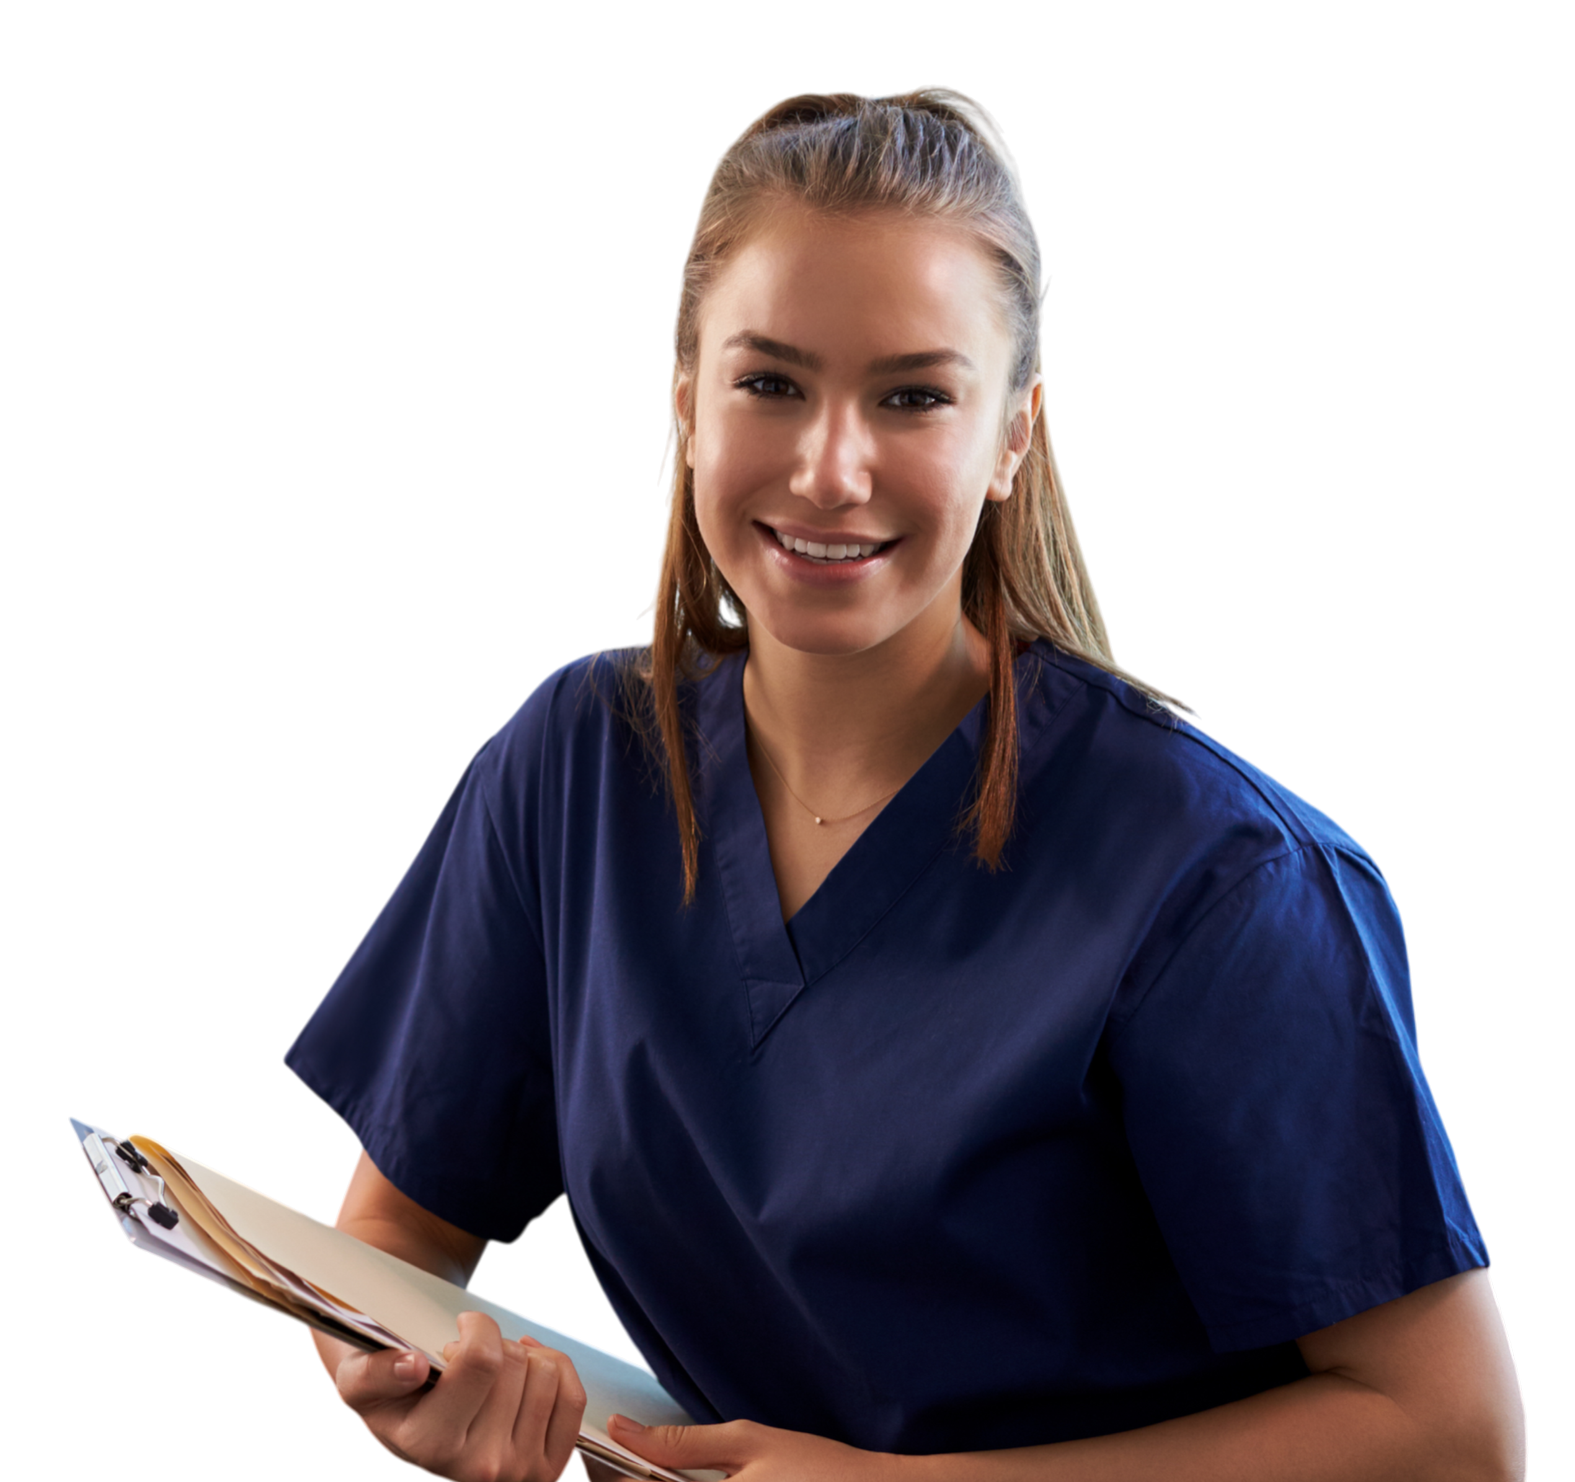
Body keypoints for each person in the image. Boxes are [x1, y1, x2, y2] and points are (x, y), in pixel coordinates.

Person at [284, 88, 1526, 1481]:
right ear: (687, 402)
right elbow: (389, 1242)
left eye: (913, 396)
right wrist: (400, 1373)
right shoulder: (578, 762)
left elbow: (1454, 1432)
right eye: (770, 382)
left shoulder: (1220, 874)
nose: (829, 467)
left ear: (1012, 438)